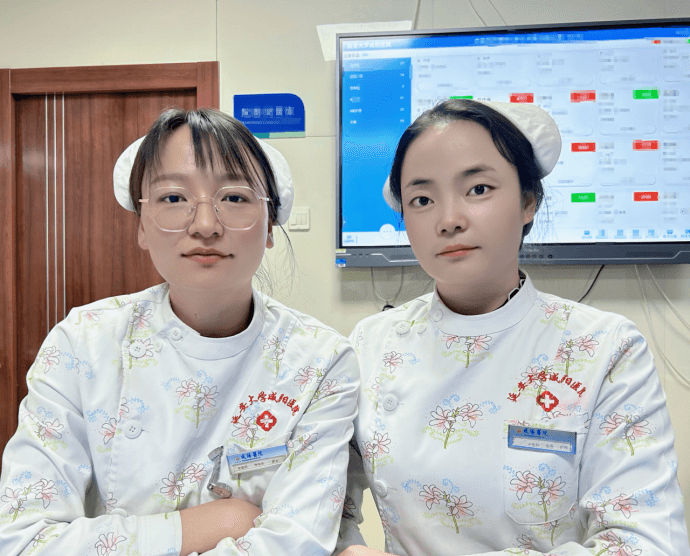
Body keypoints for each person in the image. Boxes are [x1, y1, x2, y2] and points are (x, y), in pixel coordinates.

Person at [335, 99, 690, 556]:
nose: (449, 220)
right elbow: (320, 504)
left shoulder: (605, 349)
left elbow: (646, 542)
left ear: (527, 201)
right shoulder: (371, 344)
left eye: (478, 189)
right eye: (422, 200)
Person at [0, 108, 359, 556]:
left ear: (270, 225)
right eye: (173, 197)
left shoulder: (321, 361)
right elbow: (22, 540)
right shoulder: (82, 343)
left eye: (234, 197)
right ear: (141, 225)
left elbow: (296, 543)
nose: (205, 225)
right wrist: (220, 521)